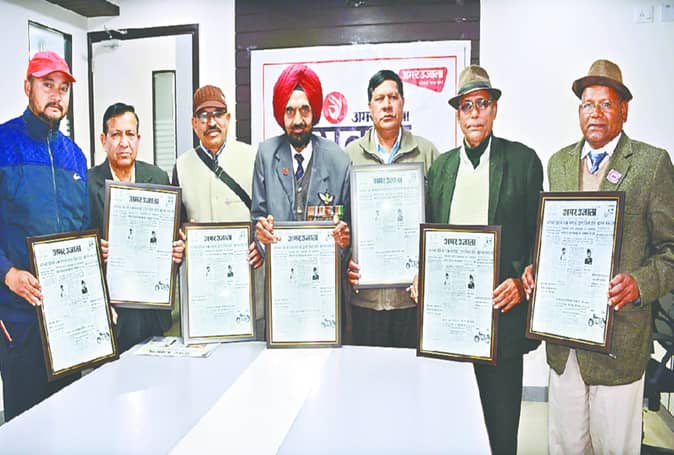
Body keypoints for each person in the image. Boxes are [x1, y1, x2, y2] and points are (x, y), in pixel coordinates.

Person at [522, 59, 674, 455]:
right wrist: (538, 268)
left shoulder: (651, 163)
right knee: (565, 445)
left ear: (624, 110)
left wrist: (640, 283)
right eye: (587, 104)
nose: (595, 113)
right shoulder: (558, 163)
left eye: (606, 104)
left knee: (615, 447)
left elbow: (671, 251)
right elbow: (555, 234)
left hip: (619, 342)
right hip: (565, 343)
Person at [413, 65, 543, 455]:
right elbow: (431, 236)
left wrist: (521, 281)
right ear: (458, 114)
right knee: (451, 426)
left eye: (482, 104)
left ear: (494, 109)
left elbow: (539, 236)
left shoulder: (522, 162)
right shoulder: (441, 168)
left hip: (500, 320)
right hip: (451, 324)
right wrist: (422, 274)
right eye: (466, 106)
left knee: (500, 430)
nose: (474, 113)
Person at [0, 51, 89, 421]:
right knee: (25, 426)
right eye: (47, 84)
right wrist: (7, 273)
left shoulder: (75, 157)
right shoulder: (3, 144)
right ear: (27, 87)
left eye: (63, 88)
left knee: (67, 422)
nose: (56, 95)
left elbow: (83, 231)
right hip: (19, 318)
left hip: (68, 320)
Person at [345, 69, 439, 348]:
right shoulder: (350, 156)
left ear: (402, 103)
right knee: (367, 373)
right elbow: (342, 223)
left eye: (393, 97)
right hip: (365, 299)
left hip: (410, 299)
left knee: (410, 373)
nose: (387, 105)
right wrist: (346, 259)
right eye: (379, 99)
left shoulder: (427, 153)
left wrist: (428, 269)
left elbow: (438, 220)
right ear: (370, 107)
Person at [88, 102, 184, 353]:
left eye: (130, 134)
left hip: (153, 309)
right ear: (103, 140)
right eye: (116, 135)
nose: (124, 142)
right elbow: (80, 241)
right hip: (113, 312)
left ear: (138, 139)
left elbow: (176, 232)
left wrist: (178, 248)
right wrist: (94, 249)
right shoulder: (88, 183)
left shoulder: (158, 177)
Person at [172, 85, 264, 334]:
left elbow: (267, 214)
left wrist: (260, 245)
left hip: (246, 284)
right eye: (203, 116)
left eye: (218, 114)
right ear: (194, 123)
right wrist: (180, 239)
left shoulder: (253, 158)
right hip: (203, 291)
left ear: (229, 118)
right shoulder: (182, 166)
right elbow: (177, 227)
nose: (211, 122)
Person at [252, 64, 351, 257]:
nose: (298, 120)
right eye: (289, 111)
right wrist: (261, 236)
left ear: (314, 112)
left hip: (325, 270)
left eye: (305, 110)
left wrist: (345, 241)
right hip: (279, 268)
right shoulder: (266, 155)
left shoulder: (338, 160)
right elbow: (257, 219)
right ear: (281, 114)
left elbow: (349, 230)